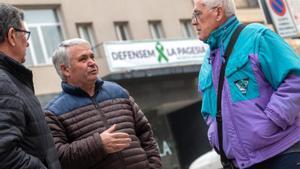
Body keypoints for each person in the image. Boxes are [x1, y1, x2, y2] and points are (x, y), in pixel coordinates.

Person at [193, 0, 300, 169]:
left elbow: (295, 80)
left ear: (218, 13)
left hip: (282, 153)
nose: (193, 21)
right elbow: (208, 113)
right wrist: (217, 138)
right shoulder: (207, 62)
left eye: (198, 13)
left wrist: (272, 120)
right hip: (240, 163)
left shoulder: (257, 37)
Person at [44, 38, 162, 169]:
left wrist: (154, 166)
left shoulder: (118, 91)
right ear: (65, 69)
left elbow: (145, 133)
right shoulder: (53, 113)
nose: (92, 63)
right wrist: (98, 145)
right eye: (83, 59)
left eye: (92, 57)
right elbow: (59, 159)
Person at [0, 3, 61, 169]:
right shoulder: (4, 82)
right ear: (12, 36)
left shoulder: (12, 79)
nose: (27, 44)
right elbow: (5, 155)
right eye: (25, 35)